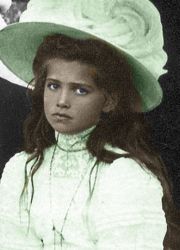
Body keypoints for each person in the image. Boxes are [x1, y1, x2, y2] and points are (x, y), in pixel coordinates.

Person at [0, 0, 180, 249]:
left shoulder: (125, 176)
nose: (62, 101)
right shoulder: (22, 170)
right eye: (53, 86)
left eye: (80, 90)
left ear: (109, 100)